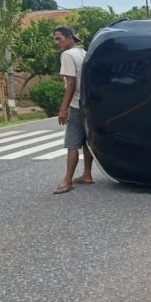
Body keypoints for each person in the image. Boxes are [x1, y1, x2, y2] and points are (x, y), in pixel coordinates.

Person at [52, 25, 93, 194]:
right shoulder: (83, 53)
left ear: (69, 38)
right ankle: (87, 174)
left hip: (76, 105)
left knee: (72, 144)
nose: (57, 42)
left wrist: (63, 109)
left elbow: (70, 83)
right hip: (89, 103)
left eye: (59, 38)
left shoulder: (67, 55)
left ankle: (67, 181)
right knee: (86, 142)